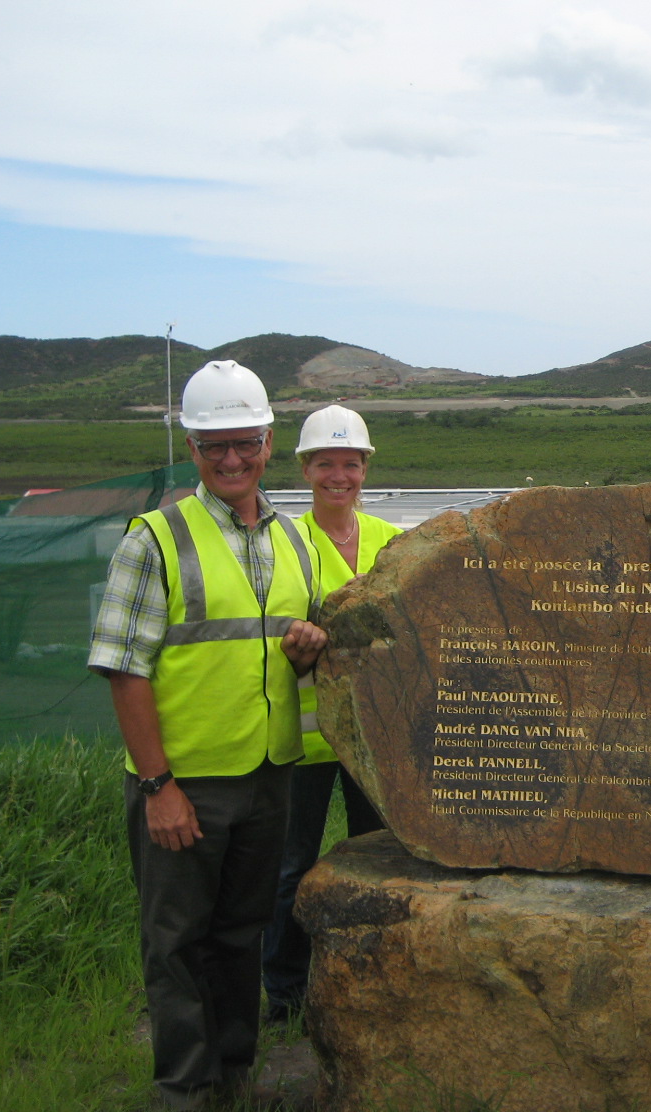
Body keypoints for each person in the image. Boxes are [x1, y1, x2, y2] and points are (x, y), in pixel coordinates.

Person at [88, 360, 326, 1110]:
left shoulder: (295, 538)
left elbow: (303, 637)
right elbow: (125, 671)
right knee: (179, 944)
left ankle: (234, 1074)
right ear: (191, 448)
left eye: (245, 443)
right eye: (213, 445)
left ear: (267, 441)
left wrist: (306, 648)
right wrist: (157, 787)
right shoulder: (153, 539)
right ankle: (185, 1091)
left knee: (242, 934)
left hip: (266, 775)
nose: (231, 460)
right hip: (183, 783)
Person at [261, 405, 400, 1024]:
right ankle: (286, 988)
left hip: (375, 737)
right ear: (305, 468)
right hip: (311, 737)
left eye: (349, 463)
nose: (338, 475)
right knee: (292, 864)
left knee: (379, 856)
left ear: (365, 468)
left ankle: (377, 969)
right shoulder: (286, 543)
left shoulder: (389, 540)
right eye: (325, 463)